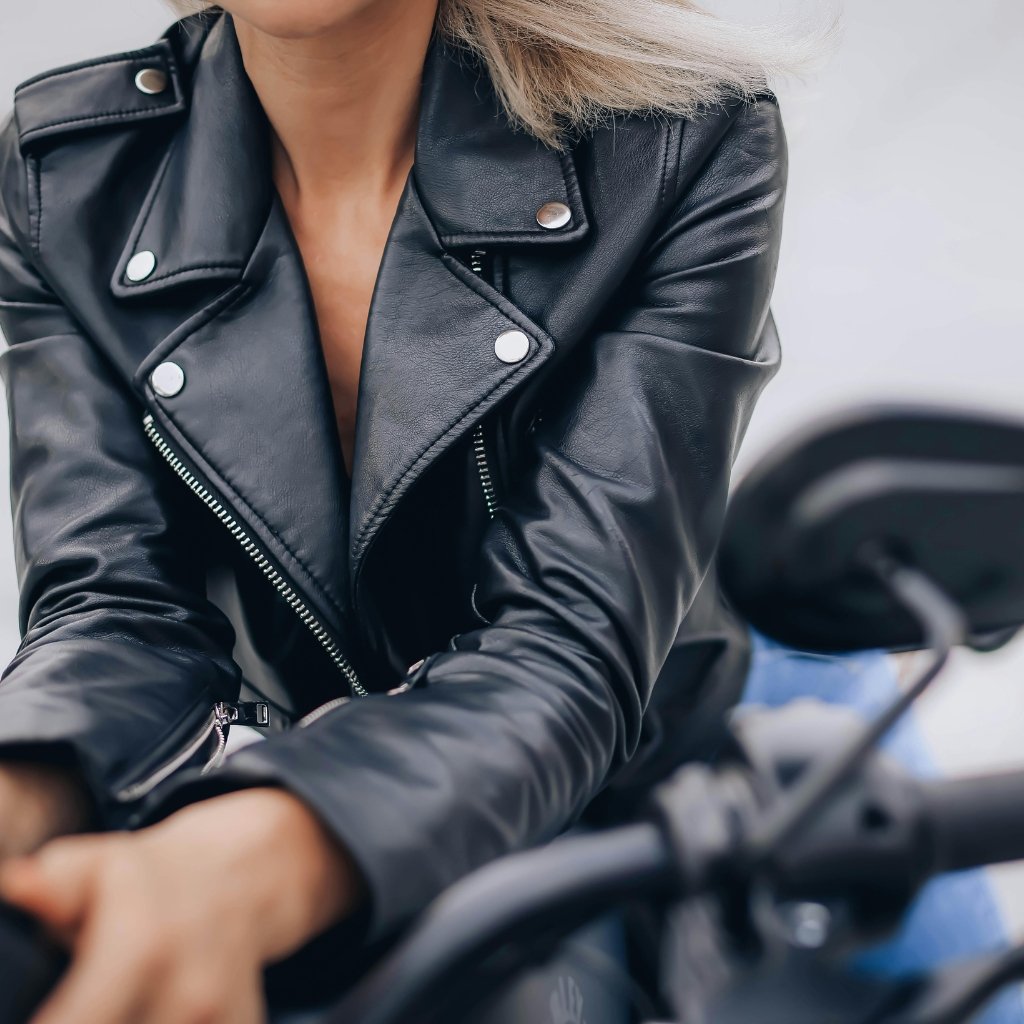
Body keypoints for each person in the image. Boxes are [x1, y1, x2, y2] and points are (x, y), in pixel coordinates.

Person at [0, 0, 797, 1019]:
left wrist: (243, 864)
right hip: (319, 773)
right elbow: (116, 611)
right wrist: (21, 784)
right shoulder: (65, 174)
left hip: (649, 747)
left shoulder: (683, 137)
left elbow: (566, 645)